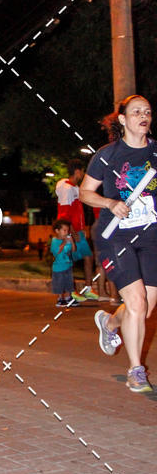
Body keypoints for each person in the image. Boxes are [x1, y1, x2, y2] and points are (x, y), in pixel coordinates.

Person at [80, 94, 157, 393]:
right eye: (137, 111)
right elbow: (85, 192)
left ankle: (111, 324)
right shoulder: (106, 156)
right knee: (136, 302)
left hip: (151, 237)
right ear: (122, 119)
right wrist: (110, 203)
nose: (144, 116)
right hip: (117, 236)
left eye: (148, 112)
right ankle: (136, 370)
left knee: (145, 308)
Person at [55, 159, 98, 300]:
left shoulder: (75, 188)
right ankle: (70, 292)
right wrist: (72, 232)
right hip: (72, 231)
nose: (83, 174)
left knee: (88, 257)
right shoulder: (67, 189)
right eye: (82, 171)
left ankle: (87, 289)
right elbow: (65, 213)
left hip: (77, 231)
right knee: (69, 260)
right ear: (77, 171)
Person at [50, 219, 79, 307]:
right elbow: (56, 251)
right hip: (58, 268)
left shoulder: (68, 240)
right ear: (57, 231)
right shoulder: (54, 241)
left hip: (68, 265)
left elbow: (73, 250)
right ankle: (60, 299)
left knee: (69, 282)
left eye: (67, 230)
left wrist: (72, 242)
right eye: (64, 230)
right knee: (59, 283)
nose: (66, 233)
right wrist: (64, 242)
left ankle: (68, 297)